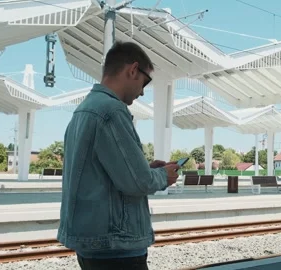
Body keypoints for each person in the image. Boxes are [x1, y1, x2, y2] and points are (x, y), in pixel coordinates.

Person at [57, 41, 179, 270]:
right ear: (133, 70)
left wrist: (147, 168)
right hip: (116, 245)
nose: (143, 91)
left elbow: (101, 172)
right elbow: (137, 182)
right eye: (146, 82)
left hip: (92, 245)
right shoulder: (111, 111)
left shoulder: (83, 111)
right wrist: (163, 176)